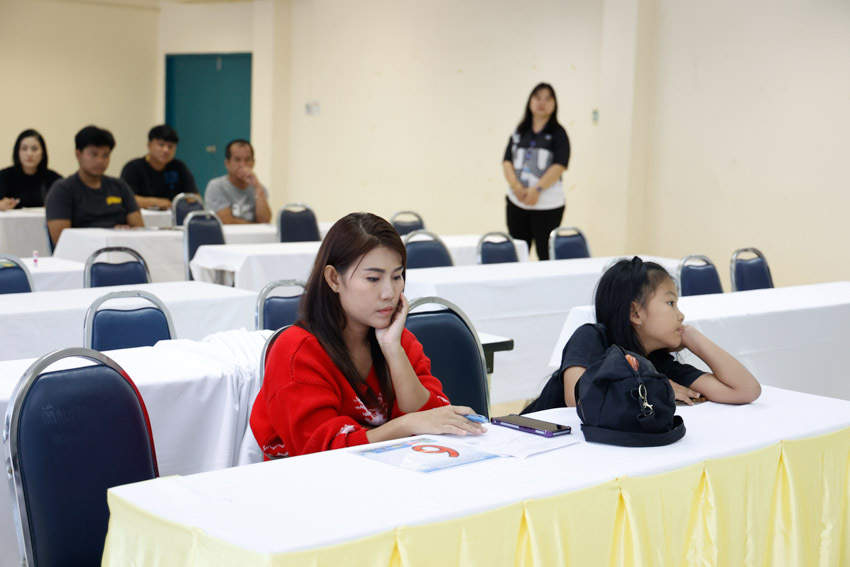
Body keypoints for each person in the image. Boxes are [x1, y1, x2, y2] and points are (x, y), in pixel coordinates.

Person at [250, 212, 485, 458]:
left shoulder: (400, 340)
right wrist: (406, 425)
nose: (389, 293)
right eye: (373, 278)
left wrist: (393, 349)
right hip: (313, 479)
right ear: (334, 279)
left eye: (397, 276)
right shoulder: (296, 352)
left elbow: (434, 418)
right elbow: (319, 451)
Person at [523, 257, 761, 413]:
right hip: (528, 441)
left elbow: (746, 390)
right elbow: (578, 399)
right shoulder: (592, 338)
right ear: (635, 313)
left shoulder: (658, 362)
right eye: (670, 303)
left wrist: (692, 337)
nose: (681, 315)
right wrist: (655, 389)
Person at [502, 83, 571, 261]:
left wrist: (537, 189)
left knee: (546, 255)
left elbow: (560, 165)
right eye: (537, 97)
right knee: (517, 254)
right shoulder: (519, 132)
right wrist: (516, 187)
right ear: (530, 101)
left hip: (547, 206)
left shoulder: (558, 133)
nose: (542, 103)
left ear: (554, 104)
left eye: (547, 99)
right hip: (517, 202)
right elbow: (507, 161)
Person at [45, 126, 143, 245]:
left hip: (121, 249)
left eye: (105, 155)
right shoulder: (62, 190)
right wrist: (108, 235)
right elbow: (62, 240)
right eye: (93, 154)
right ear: (78, 154)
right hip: (81, 253)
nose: (100, 161)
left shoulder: (120, 186)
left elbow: (139, 229)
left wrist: (124, 234)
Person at [120, 124, 198, 210]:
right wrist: (156, 202)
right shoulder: (133, 167)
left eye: (170, 146)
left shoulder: (179, 167)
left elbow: (194, 197)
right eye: (161, 145)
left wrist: (191, 204)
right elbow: (126, 198)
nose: (166, 150)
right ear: (149, 145)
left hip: (172, 215)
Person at [204, 139, 271, 224]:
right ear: (227, 163)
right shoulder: (216, 186)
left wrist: (257, 187)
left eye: (247, 159)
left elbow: (265, 221)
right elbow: (227, 222)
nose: (243, 164)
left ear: (253, 163)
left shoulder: (260, 189)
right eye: (237, 160)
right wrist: (257, 226)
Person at [0, 129, 62, 210]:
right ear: (17, 152)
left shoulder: (54, 179)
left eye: (34, 149)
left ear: (43, 153)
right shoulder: (3, 176)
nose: (29, 154)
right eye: (24, 148)